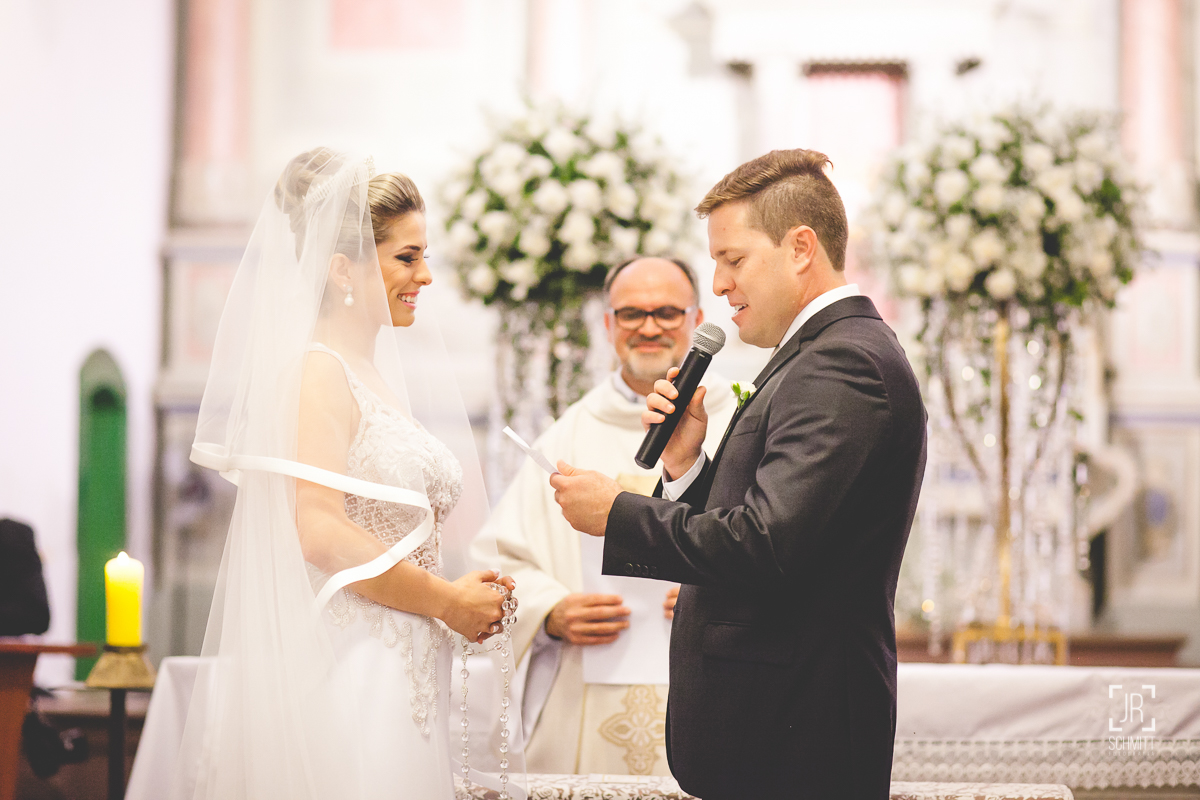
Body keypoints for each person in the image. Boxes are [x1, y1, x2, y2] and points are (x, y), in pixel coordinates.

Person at [551, 149, 927, 800]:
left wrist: (617, 513)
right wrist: (689, 461)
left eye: (733, 259)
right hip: (775, 729)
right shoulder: (816, 356)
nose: (720, 286)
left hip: (797, 733)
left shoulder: (843, 364)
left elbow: (765, 543)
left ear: (800, 248)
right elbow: (773, 528)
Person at [177, 149, 524, 800]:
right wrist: (446, 601)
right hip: (358, 662)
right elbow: (321, 530)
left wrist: (453, 593)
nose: (424, 275)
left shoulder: (369, 376)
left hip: (403, 663)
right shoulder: (318, 372)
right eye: (406, 256)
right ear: (343, 268)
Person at [472, 256, 736, 775]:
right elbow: (498, 558)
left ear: (695, 316)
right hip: (584, 693)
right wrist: (550, 611)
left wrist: (717, 592)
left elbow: (771, 543)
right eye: (632, 313)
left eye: (666, 312)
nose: (649, 327)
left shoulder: (734, 422)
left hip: (714, 688)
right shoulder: (570, 432)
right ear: (609, 324)